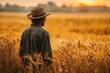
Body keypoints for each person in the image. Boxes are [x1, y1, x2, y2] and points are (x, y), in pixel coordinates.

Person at [19, 7, 52, 73]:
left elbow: (20, 53)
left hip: (26, 69)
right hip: (39, 69)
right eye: (45, 17)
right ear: (42, 19)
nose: (45, 19)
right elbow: (47, 57)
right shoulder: (44, 33)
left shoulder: (25, 32)